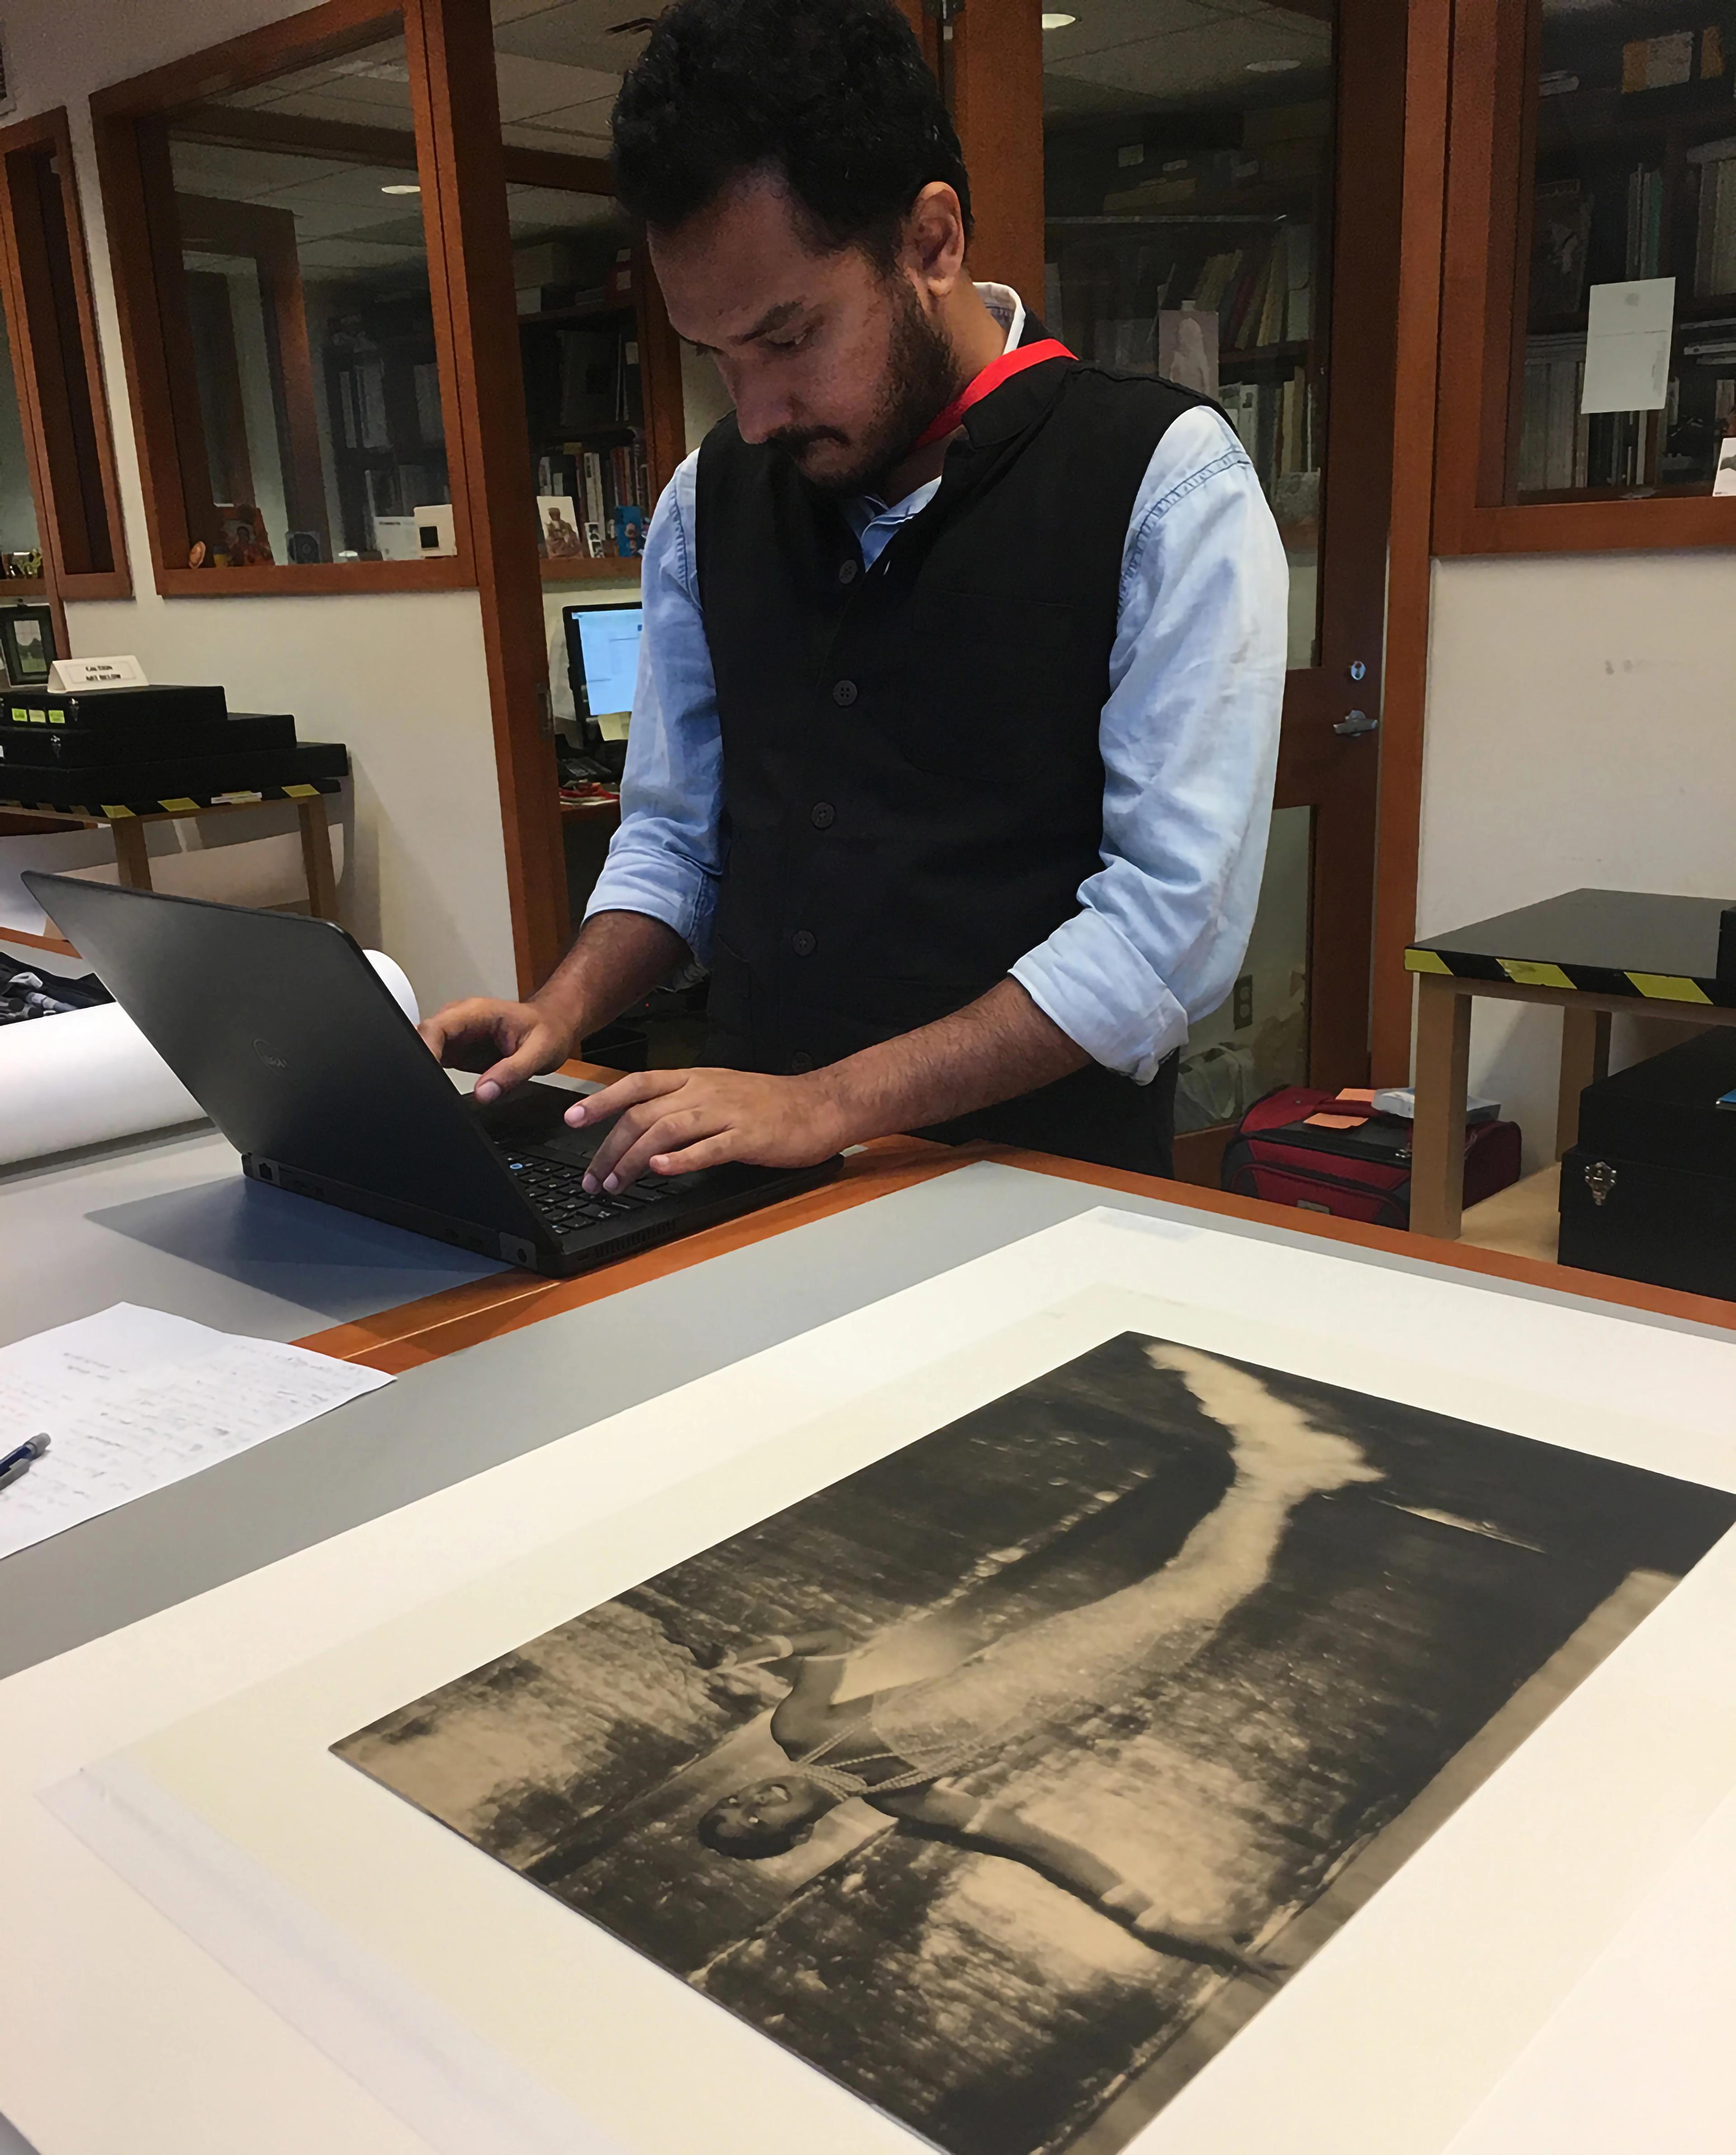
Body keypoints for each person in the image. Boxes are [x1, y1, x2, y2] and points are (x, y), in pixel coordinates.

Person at [420, 0, 1286, 1184]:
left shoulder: (1164, 485)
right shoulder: (703, 503)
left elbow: (1165, 942)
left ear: (931, 242)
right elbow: (677, 842)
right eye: (718, 357)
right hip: (743, 1182)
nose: (756, 411)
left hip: (1043, 1201)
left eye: (789, 339)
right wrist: (563, 1010)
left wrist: (829, 1103)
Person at [679, 1345, 1380, 1972]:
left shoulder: (801, 1732)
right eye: (755, 1823)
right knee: (1197, 1591)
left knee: (1205, 1592)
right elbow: (1045, 1850)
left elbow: (830, 1640)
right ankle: (1275, 1478)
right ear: (796, 1833)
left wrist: (747, 1651)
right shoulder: (913, 1802)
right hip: (1095, 1684)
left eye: (733, 1804)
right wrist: (1166, 1927)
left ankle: (1267, 1471)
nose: (751, 1802)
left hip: (1050, 1658)